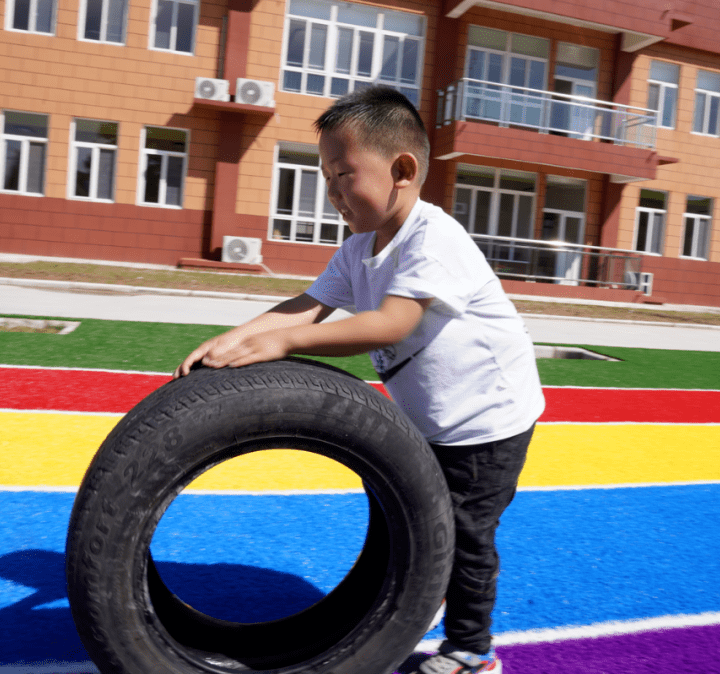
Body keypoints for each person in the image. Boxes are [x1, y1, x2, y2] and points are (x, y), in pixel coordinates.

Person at [175, 86, 545, 674]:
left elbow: (391, 324)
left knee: (465, 537)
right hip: (427, 419)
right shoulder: (358, 250)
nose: (332, 192)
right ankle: (405, 598)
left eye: (344, 174)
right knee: (410, 515)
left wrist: (285, 341)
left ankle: (471, 651)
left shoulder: (434, 238)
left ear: (402, 170)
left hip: (485, 424)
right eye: (326, 177)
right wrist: (238, 339)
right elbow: (307, 305)